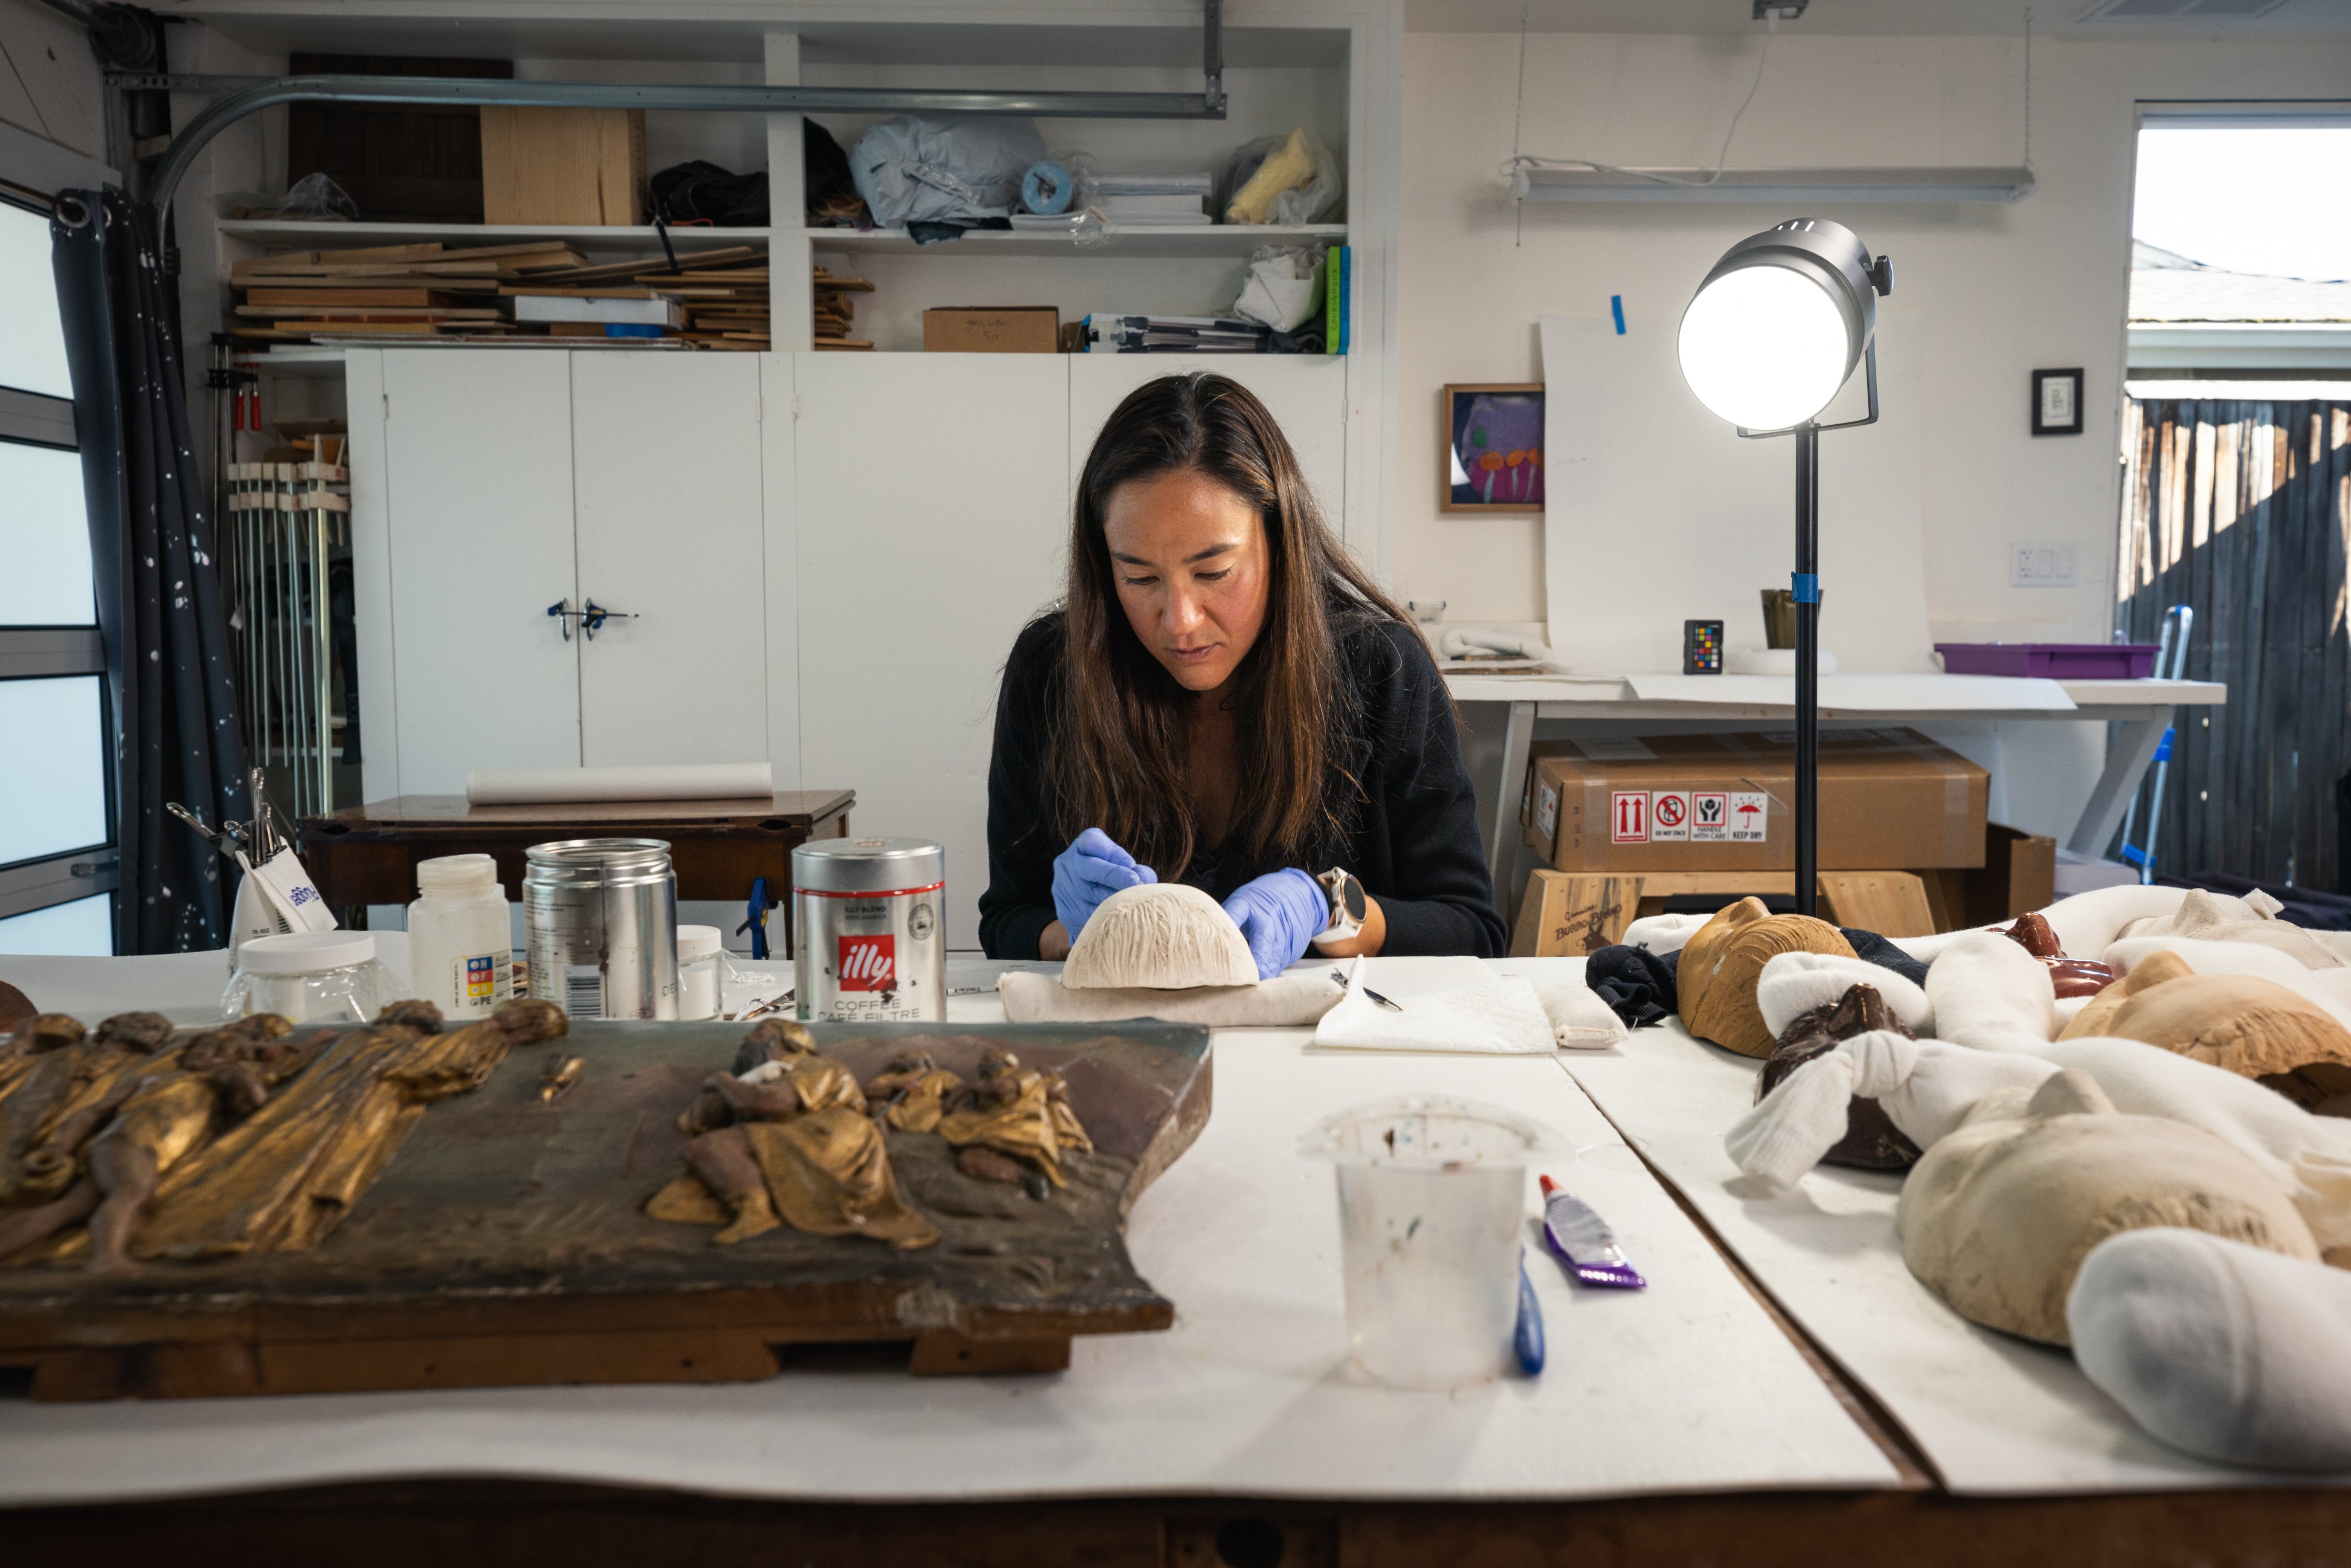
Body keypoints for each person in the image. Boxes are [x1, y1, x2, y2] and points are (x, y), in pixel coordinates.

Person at [979, 372, 1505, 975]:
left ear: (1280, 542)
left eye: (1214, 572)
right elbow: (1005, 920)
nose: (1179, 621)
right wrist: (1072, 932)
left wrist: (1328, 907)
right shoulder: (1052, 669)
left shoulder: (1381, 668)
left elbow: (1472, 929)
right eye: (1140, 578)